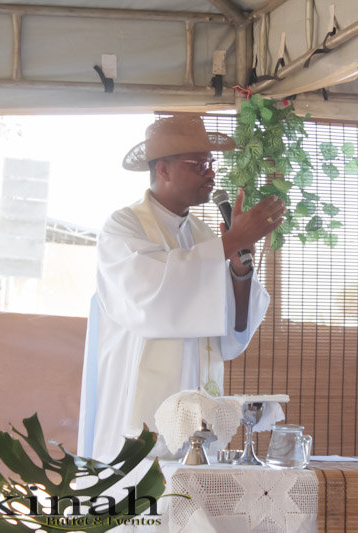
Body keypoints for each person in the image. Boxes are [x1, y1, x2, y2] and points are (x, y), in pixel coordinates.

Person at [77, 115, 286, 461]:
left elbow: (230, 336)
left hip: (197, 399)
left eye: (211, 163)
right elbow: (151, 295)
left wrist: (238, 273)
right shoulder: (124, 225)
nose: (211, 174)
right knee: (141, 489)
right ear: (163, 170)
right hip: (137, 400)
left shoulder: (204, 235)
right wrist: (230, 243)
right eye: (199, 164)